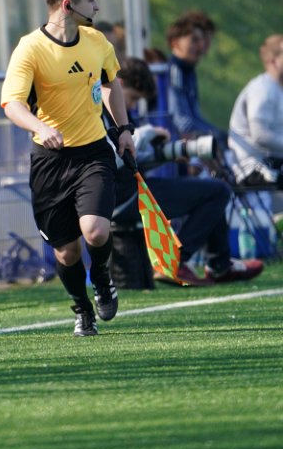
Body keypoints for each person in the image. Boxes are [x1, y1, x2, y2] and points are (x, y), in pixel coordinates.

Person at [0, 0, 136, 336]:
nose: (97, 6)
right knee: (67, 252)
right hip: (50, 162)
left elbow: (111, 84)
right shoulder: (30, 48)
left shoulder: (97, 41)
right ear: (67, 4)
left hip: (93, 153)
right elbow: (12, 104)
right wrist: (41, 128)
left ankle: (103, 276)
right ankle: (82, 307)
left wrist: (123, 130)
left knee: (95, 232)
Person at [109, 57, 264, 286]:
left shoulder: (114, 111)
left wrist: (168, 154)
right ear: (119, 84)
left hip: (127, 192)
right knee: (218, 192)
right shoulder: (103, 112)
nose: (132, 105)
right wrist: (148, 133)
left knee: (213, 188)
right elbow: (112, 158)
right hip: (124, 197)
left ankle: (219, 265)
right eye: (133, 98)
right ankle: (178, 261)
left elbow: (130, 161)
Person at [229, 35, 283, 190]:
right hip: (253, 169)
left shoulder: (277, 89)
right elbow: (260, 136)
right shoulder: (263, 89)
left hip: (271, 163)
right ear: (274, 61)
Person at [166, 10, 227, 148]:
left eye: (204, 40)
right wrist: (214, 135)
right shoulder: (174, 71)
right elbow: (182, 122)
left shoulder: (188, 71)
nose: (202, 46)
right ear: (175, 43)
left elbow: (194, 116)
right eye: (194, 40)